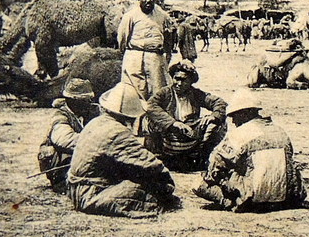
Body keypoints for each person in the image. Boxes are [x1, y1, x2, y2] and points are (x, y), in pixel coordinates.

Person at [67, 82, 177, 219]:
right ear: (129, 115)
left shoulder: (96, 122)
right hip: (92, 194)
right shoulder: (117, 131)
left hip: (75, 189)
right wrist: (167, 184)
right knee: (145, 190)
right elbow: (149, 163)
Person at [193, 90, 307, 212]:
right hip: (289, 197)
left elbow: (215, 168)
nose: (233, 121)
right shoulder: (279, 131)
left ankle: (230, 202)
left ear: (245, 113)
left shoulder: (240, 134)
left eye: (234, 116)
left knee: (199, 183)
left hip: (253, 198)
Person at [141, 60, 227, 171]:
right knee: (148, 120)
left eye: (184, 80)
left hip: (190, 134)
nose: (179, 83)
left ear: (190, 81)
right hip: (168, 134)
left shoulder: (196, 94)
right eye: (177, 79)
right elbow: (151, 106)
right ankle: (158, 158)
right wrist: (173, 123)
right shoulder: (165, 93)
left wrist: (213, 116)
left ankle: (199, 158)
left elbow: (219, 102)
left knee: (219, 124)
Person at [36, 78, 98, 193]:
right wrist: (98, 142)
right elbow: (64, 140)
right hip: (60, 164)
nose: (89, 103)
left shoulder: (91, 111)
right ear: (72, 101)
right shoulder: (60, 116)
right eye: (84, 100)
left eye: (89, 99)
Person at [117, 0, 172, 101]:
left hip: (155, 58)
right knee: (133, 92)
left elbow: (168, 36)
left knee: (157, 92)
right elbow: (122, 38)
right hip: (134, 56)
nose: (148, 1)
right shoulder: (130, 15)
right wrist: (129, 54)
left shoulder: (162, 15)